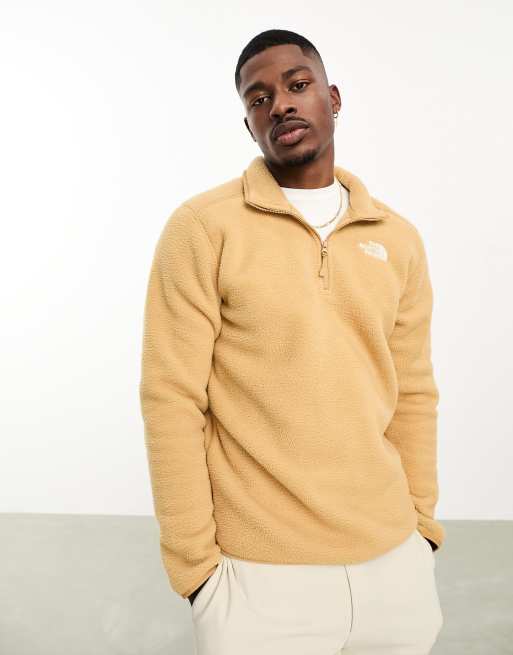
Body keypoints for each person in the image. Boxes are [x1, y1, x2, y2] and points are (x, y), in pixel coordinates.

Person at [139, 28, 444, 654]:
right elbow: (170, 399)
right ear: (249, 124)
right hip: (258, 579)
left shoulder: (398, 238)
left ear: (332, 98)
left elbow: (413, 392)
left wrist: (421, 529)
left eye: (297, 85)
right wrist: (196, 571)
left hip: (395, 569)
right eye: (259, 99)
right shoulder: (203, 228)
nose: (279, 104)